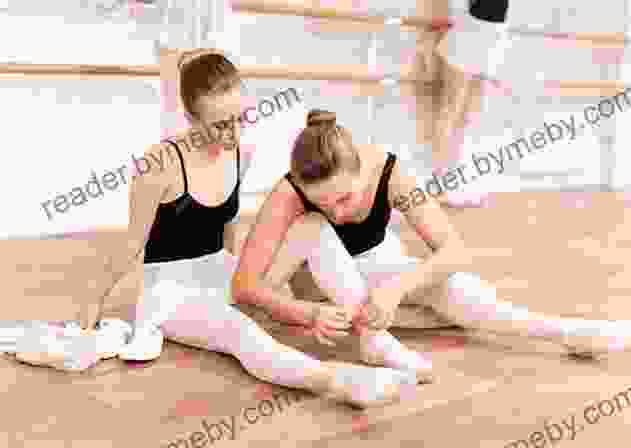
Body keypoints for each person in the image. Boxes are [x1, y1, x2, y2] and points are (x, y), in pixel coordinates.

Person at [231, 108, 631, 384]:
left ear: (362, 167)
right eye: (325, 203)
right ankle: (375, 340)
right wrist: (304, 313)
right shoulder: (290, 194)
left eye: (344, 198)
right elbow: (248, 287)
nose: (338, 214)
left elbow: (454, 250)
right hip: (331, 297)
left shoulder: (390, 173)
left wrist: (395, 292)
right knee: (311, 226)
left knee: (461, 295)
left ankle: (569, 332)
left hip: (376, 287)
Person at [99, 48, 418, 409]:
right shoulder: (156, 165)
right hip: (171, 291)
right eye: (220, 125)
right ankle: (338, 381)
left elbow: (228, 229)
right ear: (188, 116)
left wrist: (250, 284)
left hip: (219, 270)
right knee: (242, 334)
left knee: (310, 227)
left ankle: (374, 337)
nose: (234, 132)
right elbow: (130, 244)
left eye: (241, 118)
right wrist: (90, 312)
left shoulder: (241, 153)